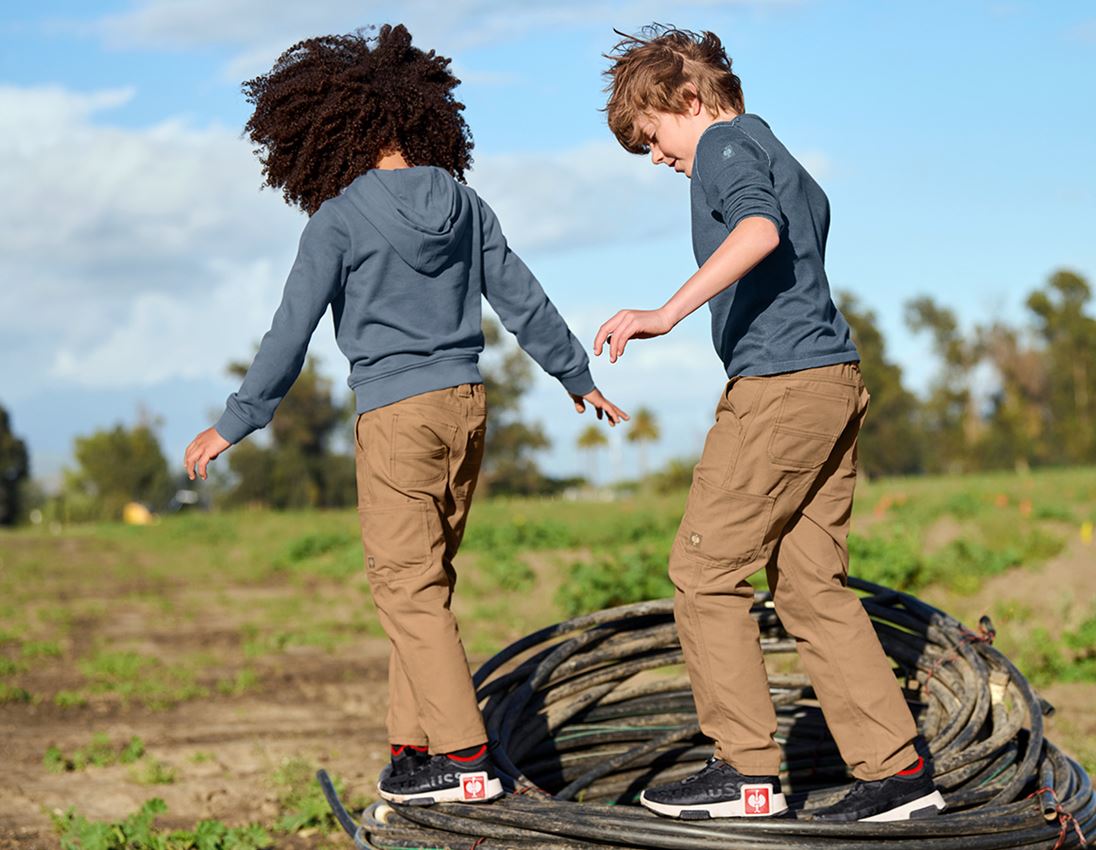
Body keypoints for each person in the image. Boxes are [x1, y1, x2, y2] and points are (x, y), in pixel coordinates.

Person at [182, 24, 626, 806]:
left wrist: (235, 421)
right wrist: (573, 374)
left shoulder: (340, 220)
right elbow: (520, 294)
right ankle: (411, 750)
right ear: (422, 118)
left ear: (323, 128)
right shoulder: (464, 202)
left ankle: (464, 760)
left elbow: (291, 331)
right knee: (425, 585)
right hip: (467, 409)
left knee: (407, 591)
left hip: (396, 416)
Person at [596, 25, 944, 822]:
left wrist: (665, 313)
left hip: (781, 388)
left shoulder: (723, 145)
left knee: (704, 570)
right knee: (809, 585)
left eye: (652, 137)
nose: (657, 159)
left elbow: (759, 231)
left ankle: (743, 772)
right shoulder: (777, 150)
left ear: (686, 99)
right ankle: (898, 775)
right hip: (833, 380)